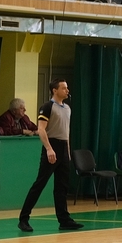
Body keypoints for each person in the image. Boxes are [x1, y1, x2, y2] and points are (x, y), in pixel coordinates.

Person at [17, 79, 84, 232]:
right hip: (52, 146)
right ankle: (23, 219)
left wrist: (67, 152)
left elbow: (66, 132)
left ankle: (64, 220)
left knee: (62, 187)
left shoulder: (67, 108)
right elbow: (41, 129)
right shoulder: (47, 107)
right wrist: (49, 149)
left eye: (67, 88)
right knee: (40, 184)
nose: (67, 90)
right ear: (55, 90)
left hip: (63, 148)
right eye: (63, 88)